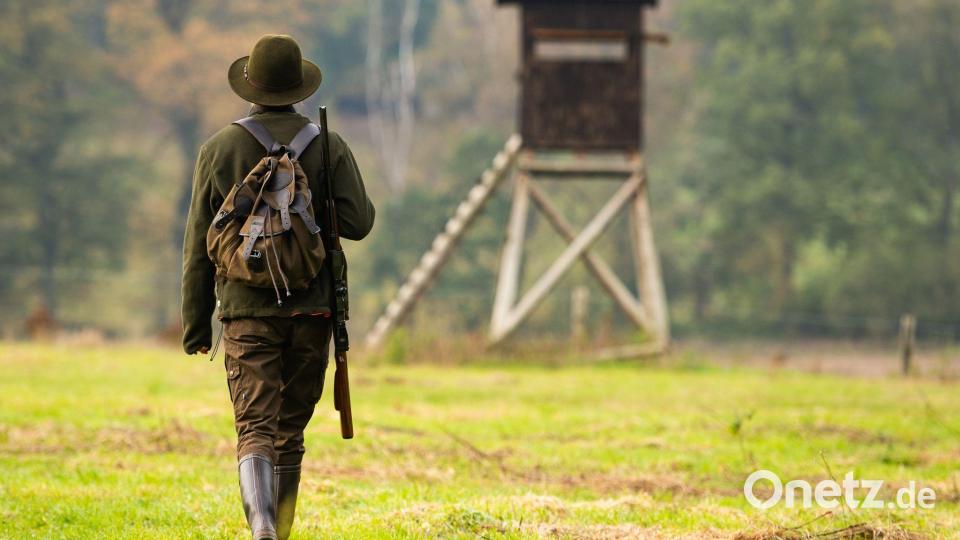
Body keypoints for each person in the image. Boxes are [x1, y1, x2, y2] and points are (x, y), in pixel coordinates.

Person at [180, 34, 375, 540]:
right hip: (312, 311)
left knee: (255, 429)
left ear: (250, 85)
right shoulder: (327, 144)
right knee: (290, 433)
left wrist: (196, 325)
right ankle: (278, 533)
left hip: (245, 313)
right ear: (300, 87)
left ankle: (261, 529)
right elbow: (360, 222)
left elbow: (199, 244)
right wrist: (311, 209)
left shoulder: (219, 149)